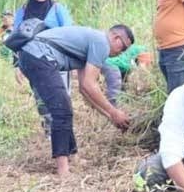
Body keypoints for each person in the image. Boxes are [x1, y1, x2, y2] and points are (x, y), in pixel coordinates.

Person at [15, 20, 133, 176]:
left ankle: (73, 157)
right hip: (39, 56)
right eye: (123, 47)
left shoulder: (92, 42)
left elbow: (84, 89)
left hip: (31, 55)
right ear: (116, 37)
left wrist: (110, 116)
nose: (122, 52)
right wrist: (114, 112)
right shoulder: (101, 42)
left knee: (65, 107)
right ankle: (63, 170)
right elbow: (91, 85)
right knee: (61, 111)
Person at [12, 0, 76, 132]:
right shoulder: (23, 11)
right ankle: (49, 129)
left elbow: (70, 33)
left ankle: (63, 130)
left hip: (58, 60)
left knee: (62, 95)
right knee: (41, 95)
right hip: (33, 61)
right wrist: (16, 64)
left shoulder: (57, 9)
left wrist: (73, 60)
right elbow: (16, 38)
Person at [102, 41, 151, 106]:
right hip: (113, 64)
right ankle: (113, 106)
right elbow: (143, 69)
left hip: (113, 64)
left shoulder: (135, 50)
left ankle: (121, 99)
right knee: (115, 87)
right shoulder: (143, 52)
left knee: (122, 81)